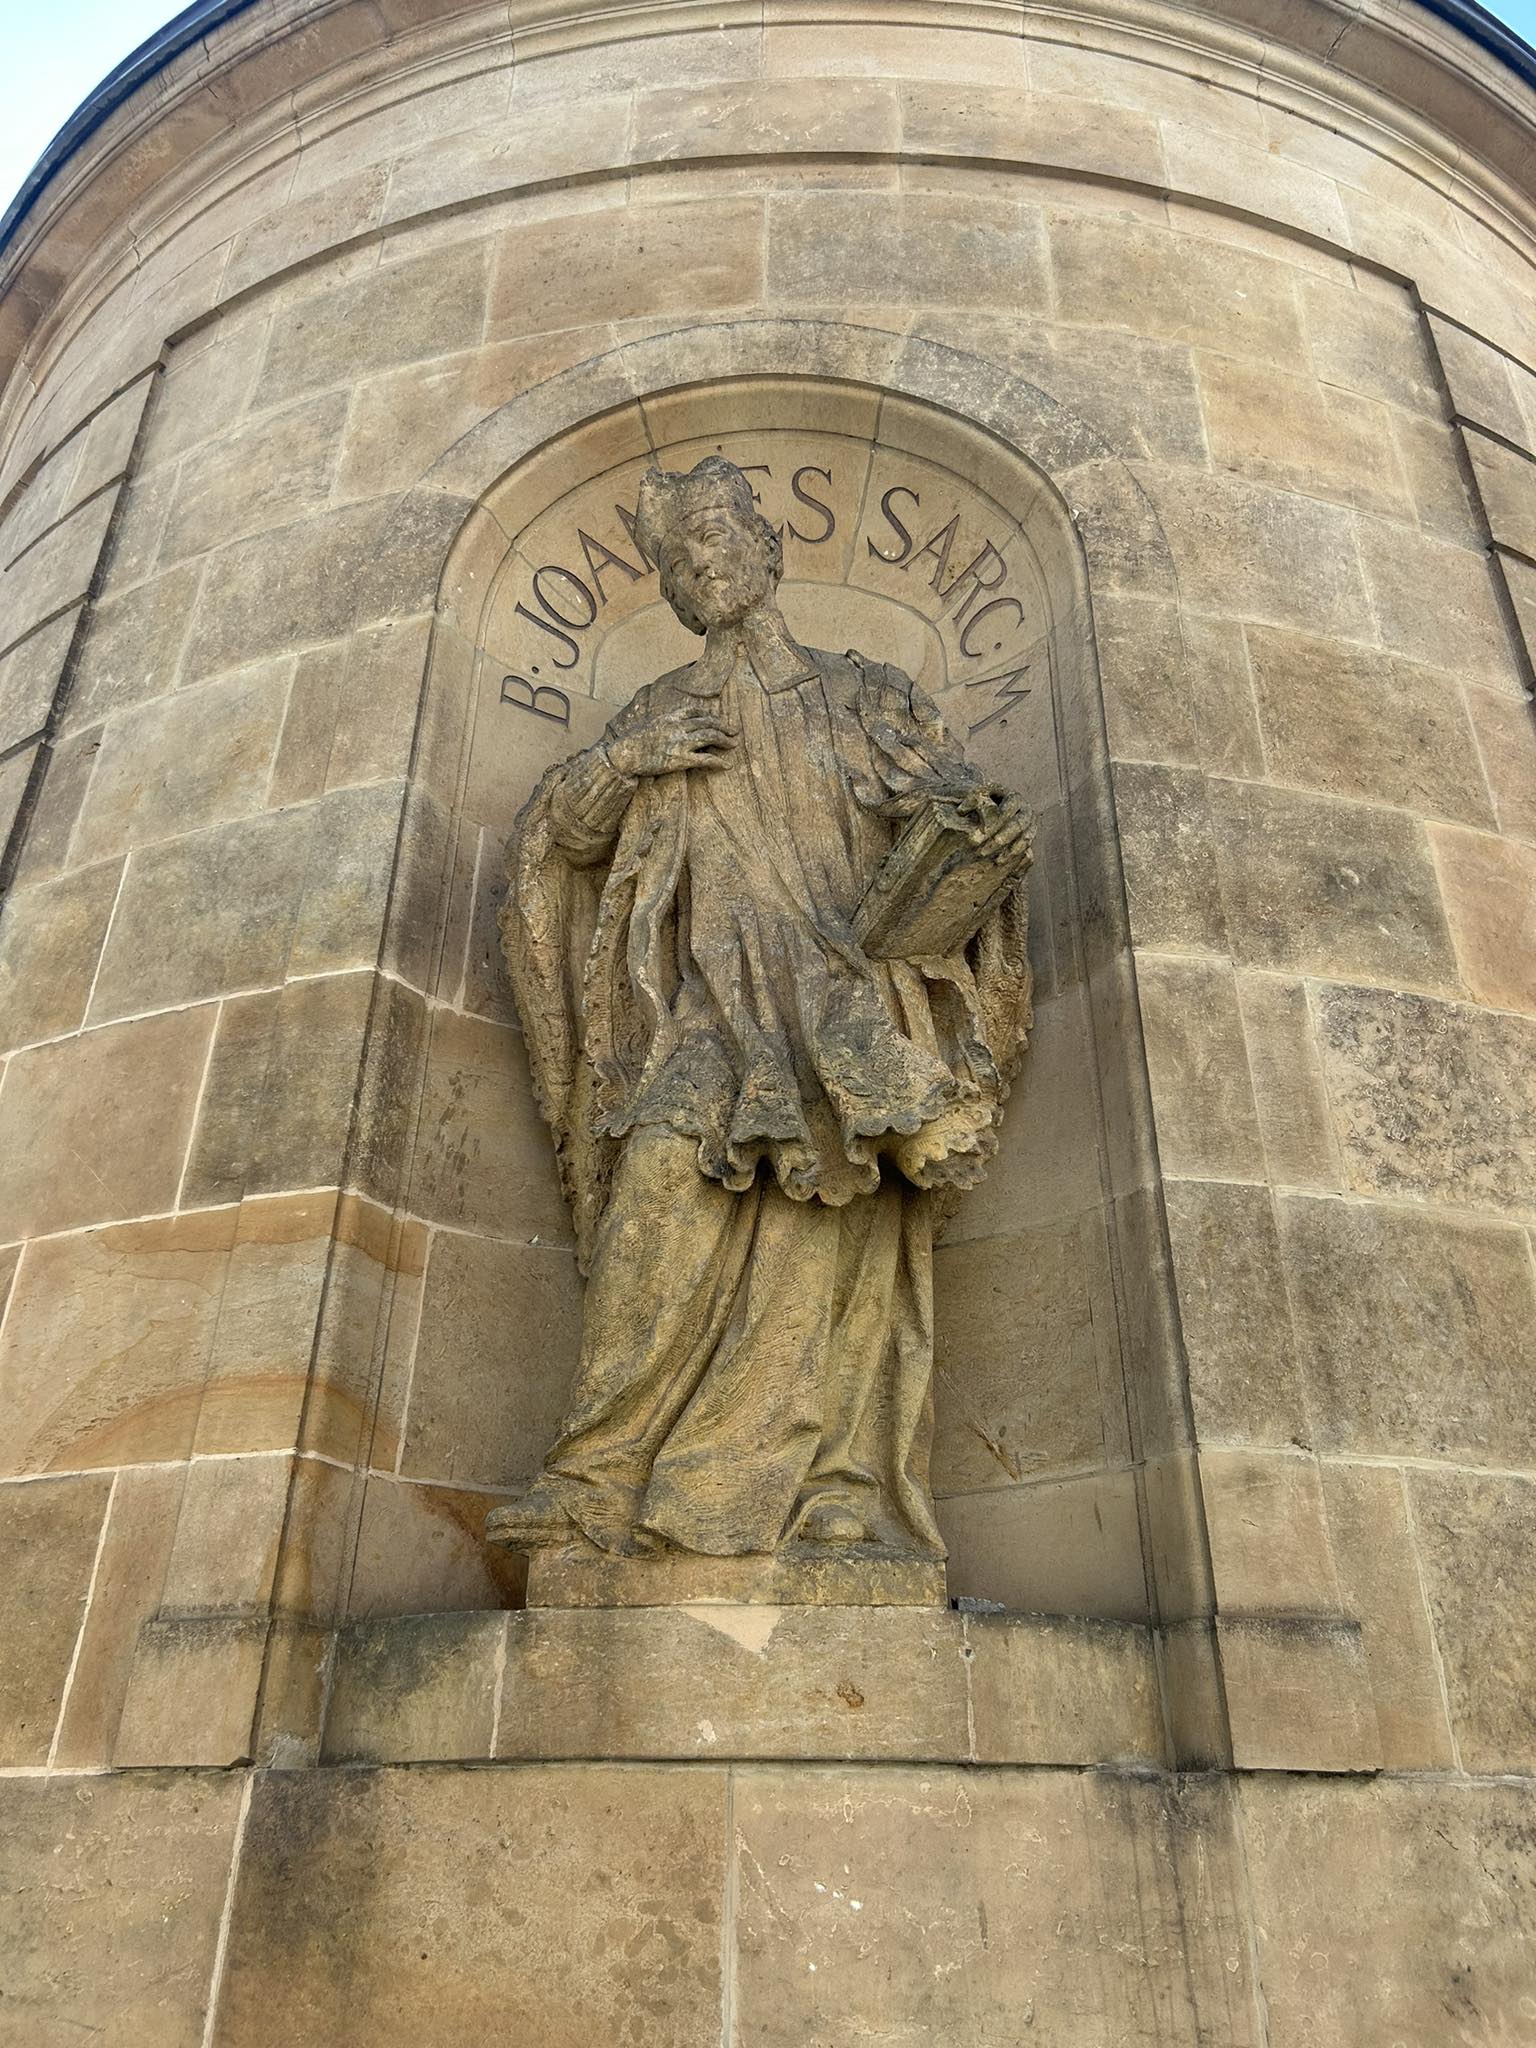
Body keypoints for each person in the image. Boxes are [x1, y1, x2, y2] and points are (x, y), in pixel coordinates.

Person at [488, 455, 1031, 1562]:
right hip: (709, 1007)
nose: (710, 558)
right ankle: (593, 1473)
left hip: (842, 1001)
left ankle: (822, 1485)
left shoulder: (864, 691)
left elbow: (944, 805)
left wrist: (971, 832)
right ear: (679, 593)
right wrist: (622, 762)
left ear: (770, 550)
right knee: (654, 1197)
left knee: (816, 1237)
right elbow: (571, 843)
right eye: (688, 552)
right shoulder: (656, 709)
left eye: (728, 534)